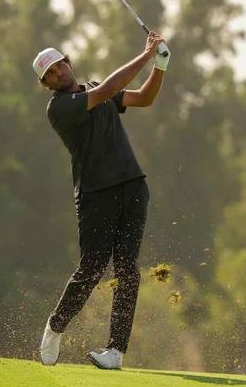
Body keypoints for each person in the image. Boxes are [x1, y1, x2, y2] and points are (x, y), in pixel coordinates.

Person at [32, 32, 170, 369]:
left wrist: (160, 65)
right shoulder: (59, 108)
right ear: (46, 84)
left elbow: (144, 98)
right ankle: (56, 326)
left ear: (68, 62)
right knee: (92, 268)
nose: (58, 72)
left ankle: (116, 352)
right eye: (50, 73)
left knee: (127, 269)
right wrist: (146, 55)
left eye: (60, 65)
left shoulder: (93, 87)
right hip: (96, 194)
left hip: (132, 186)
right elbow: (106, 90)